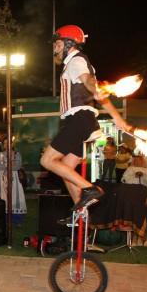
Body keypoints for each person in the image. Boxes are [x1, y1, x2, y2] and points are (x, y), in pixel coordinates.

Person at [40, 25, 132, 211]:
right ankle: (80, 208)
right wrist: (117, 118)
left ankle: (90, 189)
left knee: (47, 161)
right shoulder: (75, 62)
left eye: (58, 44)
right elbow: (96, 92)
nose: (55, 49)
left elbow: (89, 81)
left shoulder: (76, 60)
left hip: (79, 119)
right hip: (84, 120)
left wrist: (95, 89)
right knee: (66, 166)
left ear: (69, 43)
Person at [0, 138, 27, 227]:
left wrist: (6, 165)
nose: (6, 145)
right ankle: (4, 220)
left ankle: (17, 220)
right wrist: (10, 165)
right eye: (4, 143)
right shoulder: (0, 154)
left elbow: (17, 166)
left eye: (8, 143)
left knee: (16, 197)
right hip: (2, 180)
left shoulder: (17, 154)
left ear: (12, 144)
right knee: (3, 198)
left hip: (15, 180)